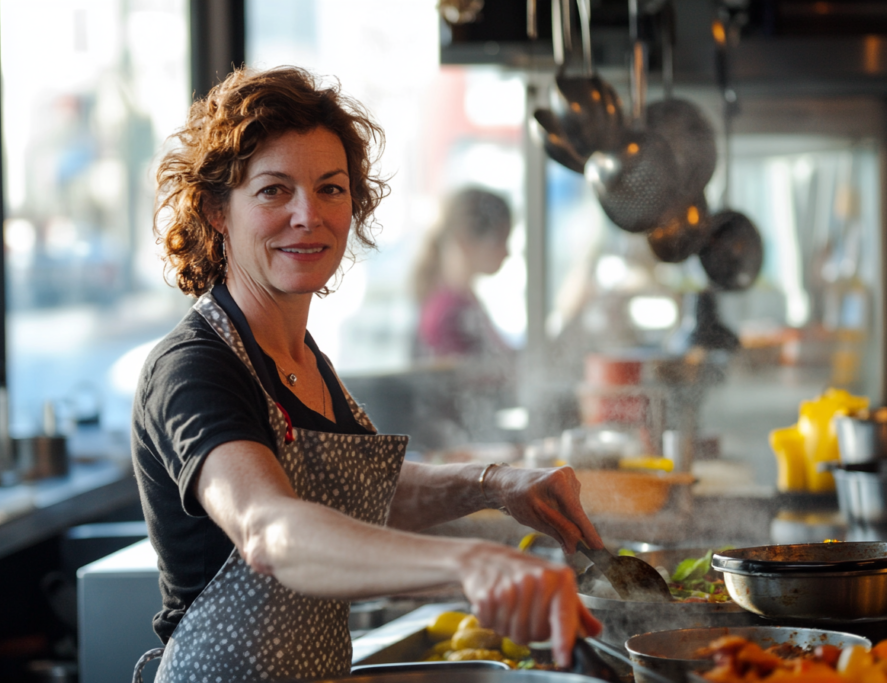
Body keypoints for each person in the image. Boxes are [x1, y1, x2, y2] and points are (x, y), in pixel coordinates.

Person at [131, 66, 603, 683]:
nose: (309, 214)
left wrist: (495, 485)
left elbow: (362, 497)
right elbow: (271, 530)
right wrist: (470, 563)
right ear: (219, 210)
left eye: (331, 188)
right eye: (274, 190)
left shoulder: (304, 357)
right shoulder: (192, 367)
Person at [413, 188, 514, 360]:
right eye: (500, 240)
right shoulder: (447, 313)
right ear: (464, 240)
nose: (507, 253)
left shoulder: (464, 302)